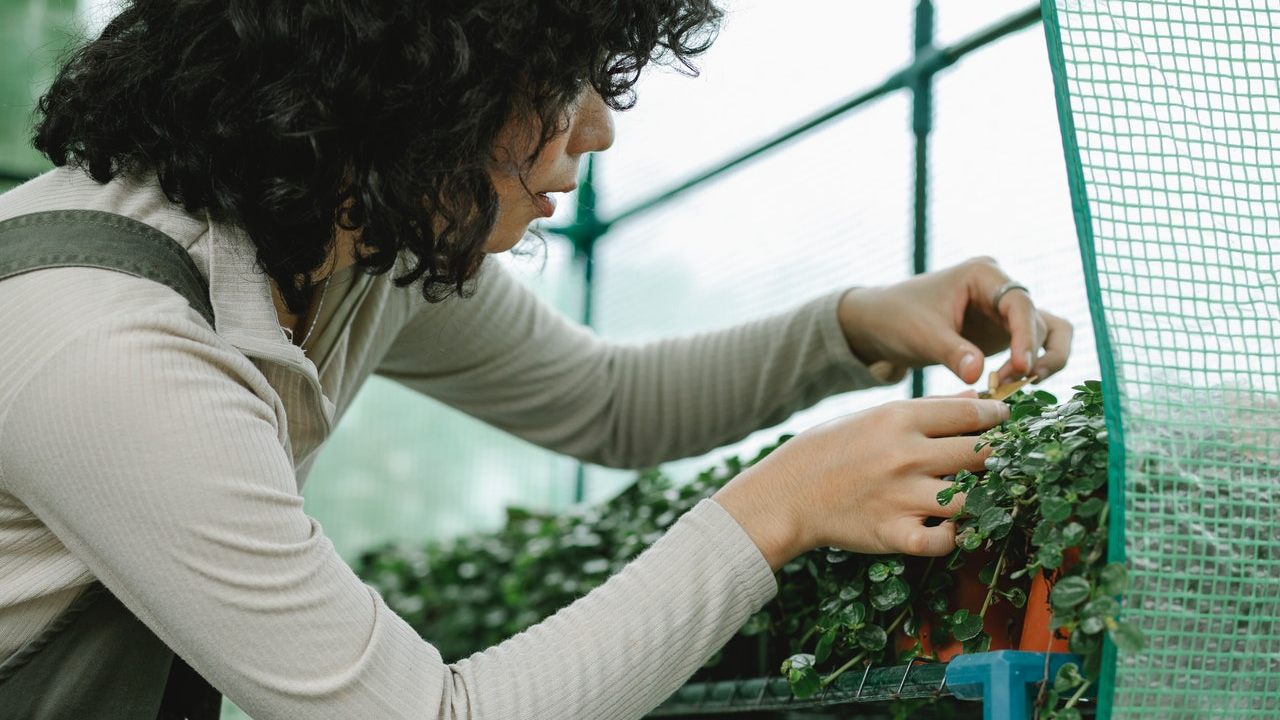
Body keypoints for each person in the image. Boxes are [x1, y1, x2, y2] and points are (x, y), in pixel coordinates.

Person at [0, 1, 1072, 718]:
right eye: (558, 82)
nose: (597, 130)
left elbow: (606, 401)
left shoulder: (341, 237)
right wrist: (779, 509)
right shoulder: (109, 346)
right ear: (403, 80)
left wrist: (856, 326)